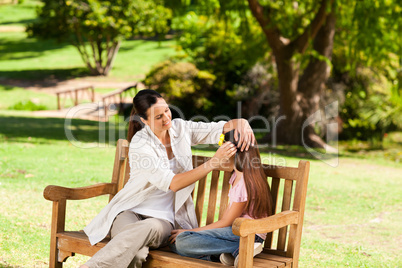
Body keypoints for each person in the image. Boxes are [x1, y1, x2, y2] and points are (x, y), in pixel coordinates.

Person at [80, 89, 256, 268]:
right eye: (158, 117)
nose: (166, 118)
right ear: (144, 120)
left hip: (162, 221)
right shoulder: (141, 144)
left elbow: (218, 128)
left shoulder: (181, 129)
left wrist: (242, 123)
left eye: (166, 110)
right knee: (137, 254)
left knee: (146, 229)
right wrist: (213, 163)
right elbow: (173, 183)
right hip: (129, 211)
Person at [168, 129, 273, 268]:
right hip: (235, 232)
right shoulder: (239, 175)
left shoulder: (245, 183)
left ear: (232, 153)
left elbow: (226, 222)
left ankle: (241, 248)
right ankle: (225, 255)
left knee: (182, 241)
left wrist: (190, 232)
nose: (220, 158)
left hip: (247, 233)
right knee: (175, 244)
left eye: (221, 153)